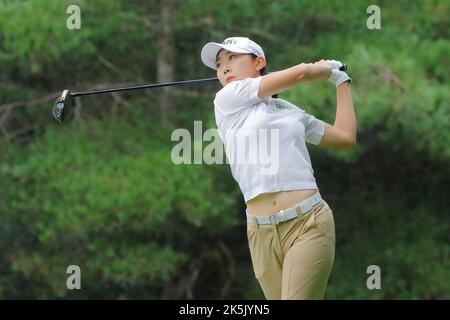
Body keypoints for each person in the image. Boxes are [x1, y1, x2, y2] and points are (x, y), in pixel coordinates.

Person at [200, 36, 356, 300]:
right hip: (261, 233)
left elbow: (344, 136)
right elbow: (302, 73)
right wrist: (325, 69)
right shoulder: (227, 99)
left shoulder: (287, 110)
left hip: (308, 223)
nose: (224, 68)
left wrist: (340, 82)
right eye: (219, 64)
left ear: (258, 62)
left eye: (233, 58)